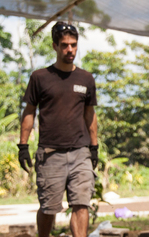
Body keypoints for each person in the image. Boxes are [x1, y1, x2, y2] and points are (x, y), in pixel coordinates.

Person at [18, 22, 98, 237]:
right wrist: (23, 145)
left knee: (81, 204)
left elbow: (90, 115)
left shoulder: (86, 79)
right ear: (55, 46)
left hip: (80, 152)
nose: (70, 49)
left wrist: (94, 147)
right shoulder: (40, 77)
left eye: (73, 44)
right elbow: (29, 112)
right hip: (50, 153)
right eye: (64, 45)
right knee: (49, 207)